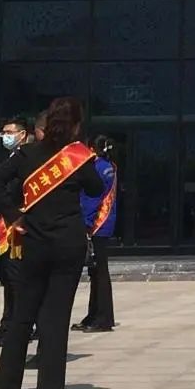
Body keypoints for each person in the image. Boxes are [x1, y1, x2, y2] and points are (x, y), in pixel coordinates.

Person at [0, 97, 103, 389]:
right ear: (76, 125)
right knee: (56, 315)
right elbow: (96, 188)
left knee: (22, 314)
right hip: (68, 242)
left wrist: (13, 215)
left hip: (33, 240)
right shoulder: (79, 156)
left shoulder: (27, 154)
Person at [0, 116, 34, 348]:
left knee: (16, 281)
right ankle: (8, 325)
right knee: (9, 281)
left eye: (10, 132)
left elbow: (9, 190)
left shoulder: (26, 159)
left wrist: (0, 209)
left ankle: (15, 327)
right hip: (3, 224)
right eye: (3, 133)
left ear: (23, 134)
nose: (5, 137)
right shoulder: (11, 159)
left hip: (16, 227)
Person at [73, 135, 117, 333]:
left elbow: (91, 199)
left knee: (99, 272)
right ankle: (94, 315)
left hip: (97, 224)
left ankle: (102, 318)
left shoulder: (97, 168)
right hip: (105, 223)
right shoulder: (109, 166)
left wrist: (85, 224)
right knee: (97, 272)